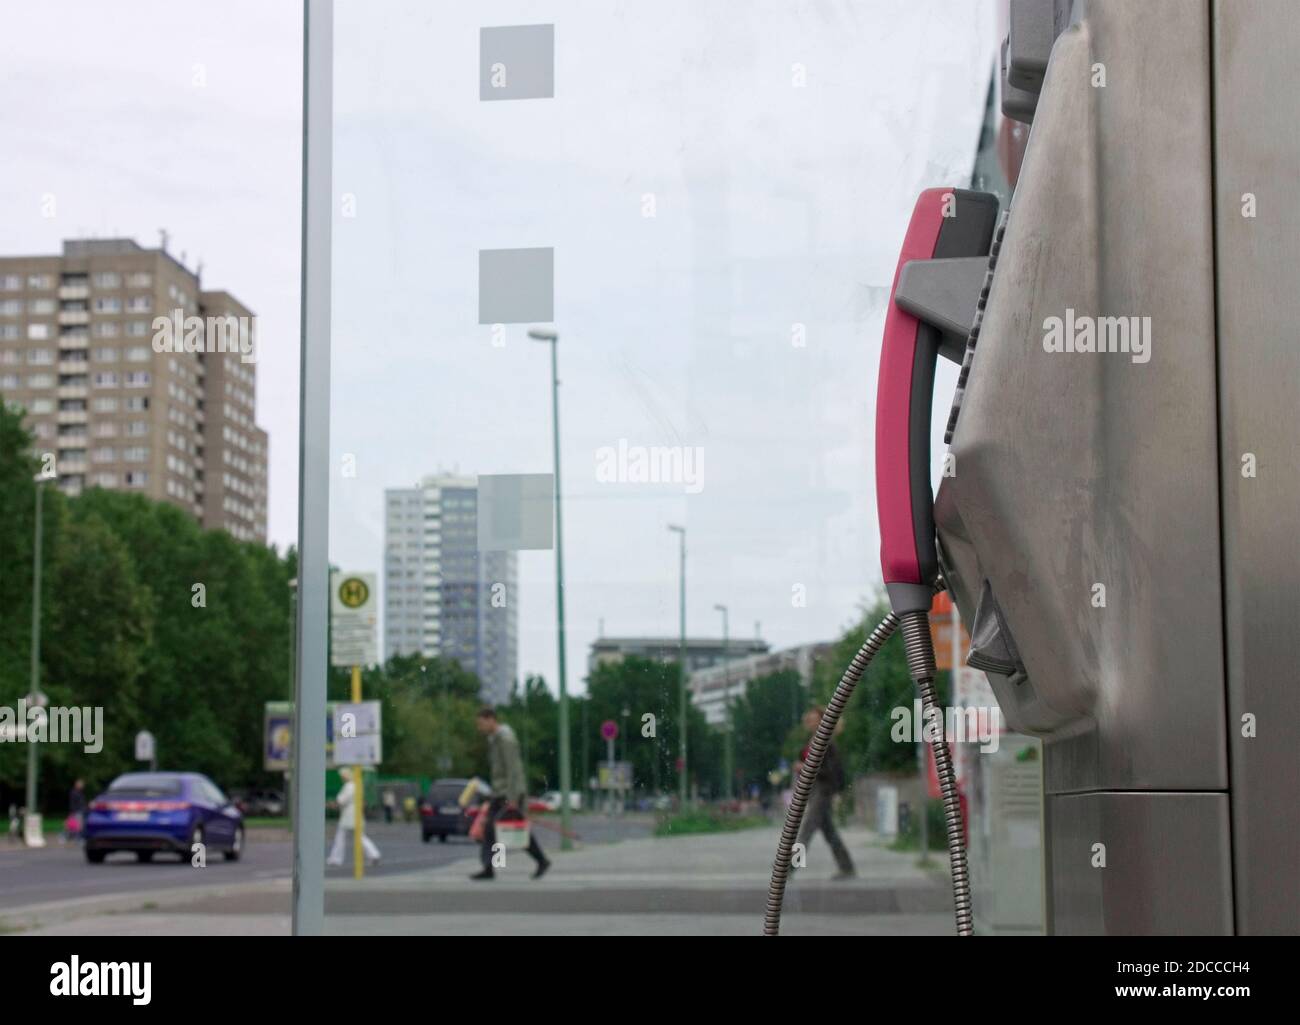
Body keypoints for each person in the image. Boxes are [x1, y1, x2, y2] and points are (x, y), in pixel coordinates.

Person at [470, 707, 550, 881]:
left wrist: (513, 798)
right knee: (493, 830)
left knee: (511, 830)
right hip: (499, 793)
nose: (480, 728)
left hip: (509, 794)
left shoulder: (506, 740)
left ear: (491, 720)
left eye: (481, 724)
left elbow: (514, 771)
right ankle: (490, 868)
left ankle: (541, 861)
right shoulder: (495, 740)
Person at [794, 705, 856, 880]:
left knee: (806, 830)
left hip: (823, 791)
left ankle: (788, 867)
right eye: (810, 719)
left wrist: (805, 768)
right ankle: (847, 867)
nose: (811, 722)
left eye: (815, 719)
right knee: (829, 832)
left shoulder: (828, 744)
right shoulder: (812, 741)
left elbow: (832, 772)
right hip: (813, 791)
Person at [327, 767, 381, 868]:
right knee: (360, 837)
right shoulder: (356, 786)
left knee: (340, 838)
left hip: (348, 816)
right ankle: (374, 854)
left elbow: (341, 801)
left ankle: (336, 859)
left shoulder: (348, 786)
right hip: (356, 815)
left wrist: (332, 804)